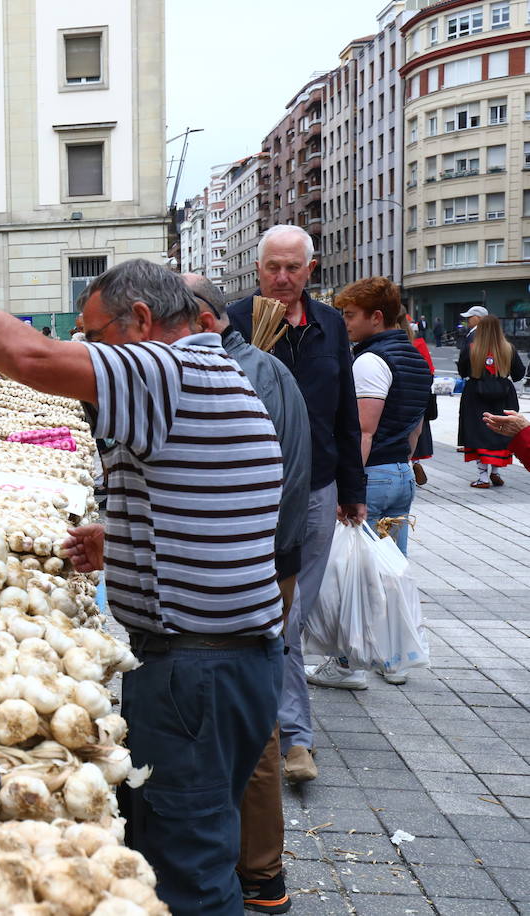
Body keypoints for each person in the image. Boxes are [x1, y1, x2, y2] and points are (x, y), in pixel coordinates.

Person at [0, 255, 284, 914]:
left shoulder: (167, 368)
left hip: (198, 670)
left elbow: (33, 360)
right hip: (233, 660)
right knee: (192, 839)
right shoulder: (215, 372)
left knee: (190, 866)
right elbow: (210, 505)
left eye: (93, 337)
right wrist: (123, 540)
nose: (85, 352)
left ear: (144, 320)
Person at [185, 274, 310, 916]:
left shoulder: (241, 377)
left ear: (203, 322)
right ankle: (249, 867)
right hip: (262, 562)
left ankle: (258, 873)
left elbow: (265, 487)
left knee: (249, 721)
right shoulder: (261, 366)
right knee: (245, 714)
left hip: (252, 569)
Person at [226, 224, 365, 785]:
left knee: (290, 613)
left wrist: (353, 489)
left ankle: (278, 727)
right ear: (257, 269)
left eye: (292, 268)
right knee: (276, 613)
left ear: (311, 269)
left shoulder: (330, 324)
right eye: (271, 268)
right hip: (255, 490)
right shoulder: (234, 322)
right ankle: (292, 737)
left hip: (318, 487)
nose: (281, 279)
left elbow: (345, 408)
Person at [306, 278, 433, 693]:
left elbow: (362, 429)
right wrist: (405, 462)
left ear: (376, 317)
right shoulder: (415, 359)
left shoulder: (370, 361)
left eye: (350, 316)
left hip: (372, 474)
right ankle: (394, 660)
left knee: (354, 575)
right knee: (390, 573)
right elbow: (416, 426)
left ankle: (348, 664)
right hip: (400, 472)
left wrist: (351, 488)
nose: (344, 324)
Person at [457, 314, 525, 487]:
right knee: (500, 431)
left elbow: (463, 372)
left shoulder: (472, 348)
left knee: (477, 431)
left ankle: (483, 476)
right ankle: (495, 472)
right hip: (503, 394)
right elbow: (518, 374)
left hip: (475, 395)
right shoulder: (508, 348)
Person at [401, 312, 437, 487]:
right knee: (416, 431)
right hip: (417, 394)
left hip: (395, 393)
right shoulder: (419, 344)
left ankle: (403, 468)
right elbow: (429, 370)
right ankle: (415, 463)